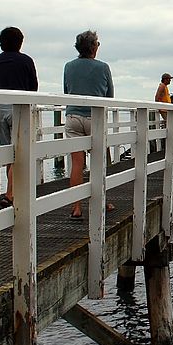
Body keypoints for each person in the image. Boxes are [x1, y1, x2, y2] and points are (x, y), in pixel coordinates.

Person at [63, 30, 114, 219]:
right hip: (95, 118)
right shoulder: (103, 67)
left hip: (73, 117)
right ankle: (103, 200)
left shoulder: (68, 66)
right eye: (98, 44)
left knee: (77, 163)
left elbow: (67, 91)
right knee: (99, 161)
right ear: (93, 47)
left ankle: (76, 207)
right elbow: (110, 96)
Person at [0, 26, 38, 207]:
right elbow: (33, 86)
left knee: (8, 151)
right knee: (19, 151)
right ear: (20, 43)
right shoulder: (26, 61)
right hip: (17, 108)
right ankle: (11, 194)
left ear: (2, 43)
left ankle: (11, 190)